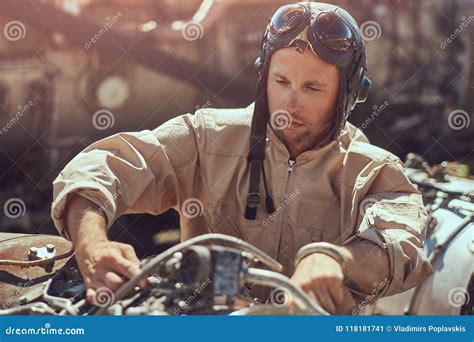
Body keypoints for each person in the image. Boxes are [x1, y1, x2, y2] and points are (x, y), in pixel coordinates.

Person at [51, 2, 432, 314]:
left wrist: (336, 259)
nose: (289, 103)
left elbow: (401, 242)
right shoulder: (206, 136)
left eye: (312, 87)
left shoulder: (372, 171)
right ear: (263, 74)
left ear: (348, 95)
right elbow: (102, 166)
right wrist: (90, 243)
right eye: (281, 81)